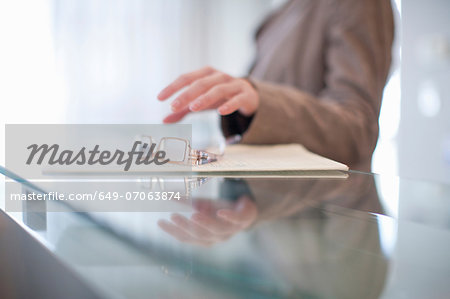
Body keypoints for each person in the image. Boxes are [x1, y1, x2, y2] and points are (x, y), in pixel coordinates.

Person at [157, 0, 394, 169]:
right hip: (269, 215)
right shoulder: (283, 14)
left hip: (328, 222)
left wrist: (263, 101)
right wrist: (242, 107)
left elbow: (358, 130)